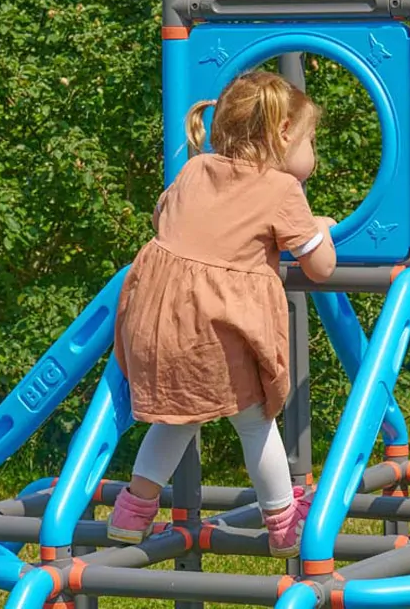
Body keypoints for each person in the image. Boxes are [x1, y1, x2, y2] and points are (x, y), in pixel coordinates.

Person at [106, 71, 337, 558]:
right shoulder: (281, 190)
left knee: (176, 420)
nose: (312, 151)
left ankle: (132, 511)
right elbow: (320, 267)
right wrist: (321, 227)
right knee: (255, 421)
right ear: (282, 137)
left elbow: (163, 222)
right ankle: (282, 521)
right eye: (310, 139)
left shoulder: (194, 169)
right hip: (215, 333)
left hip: (156, 324)